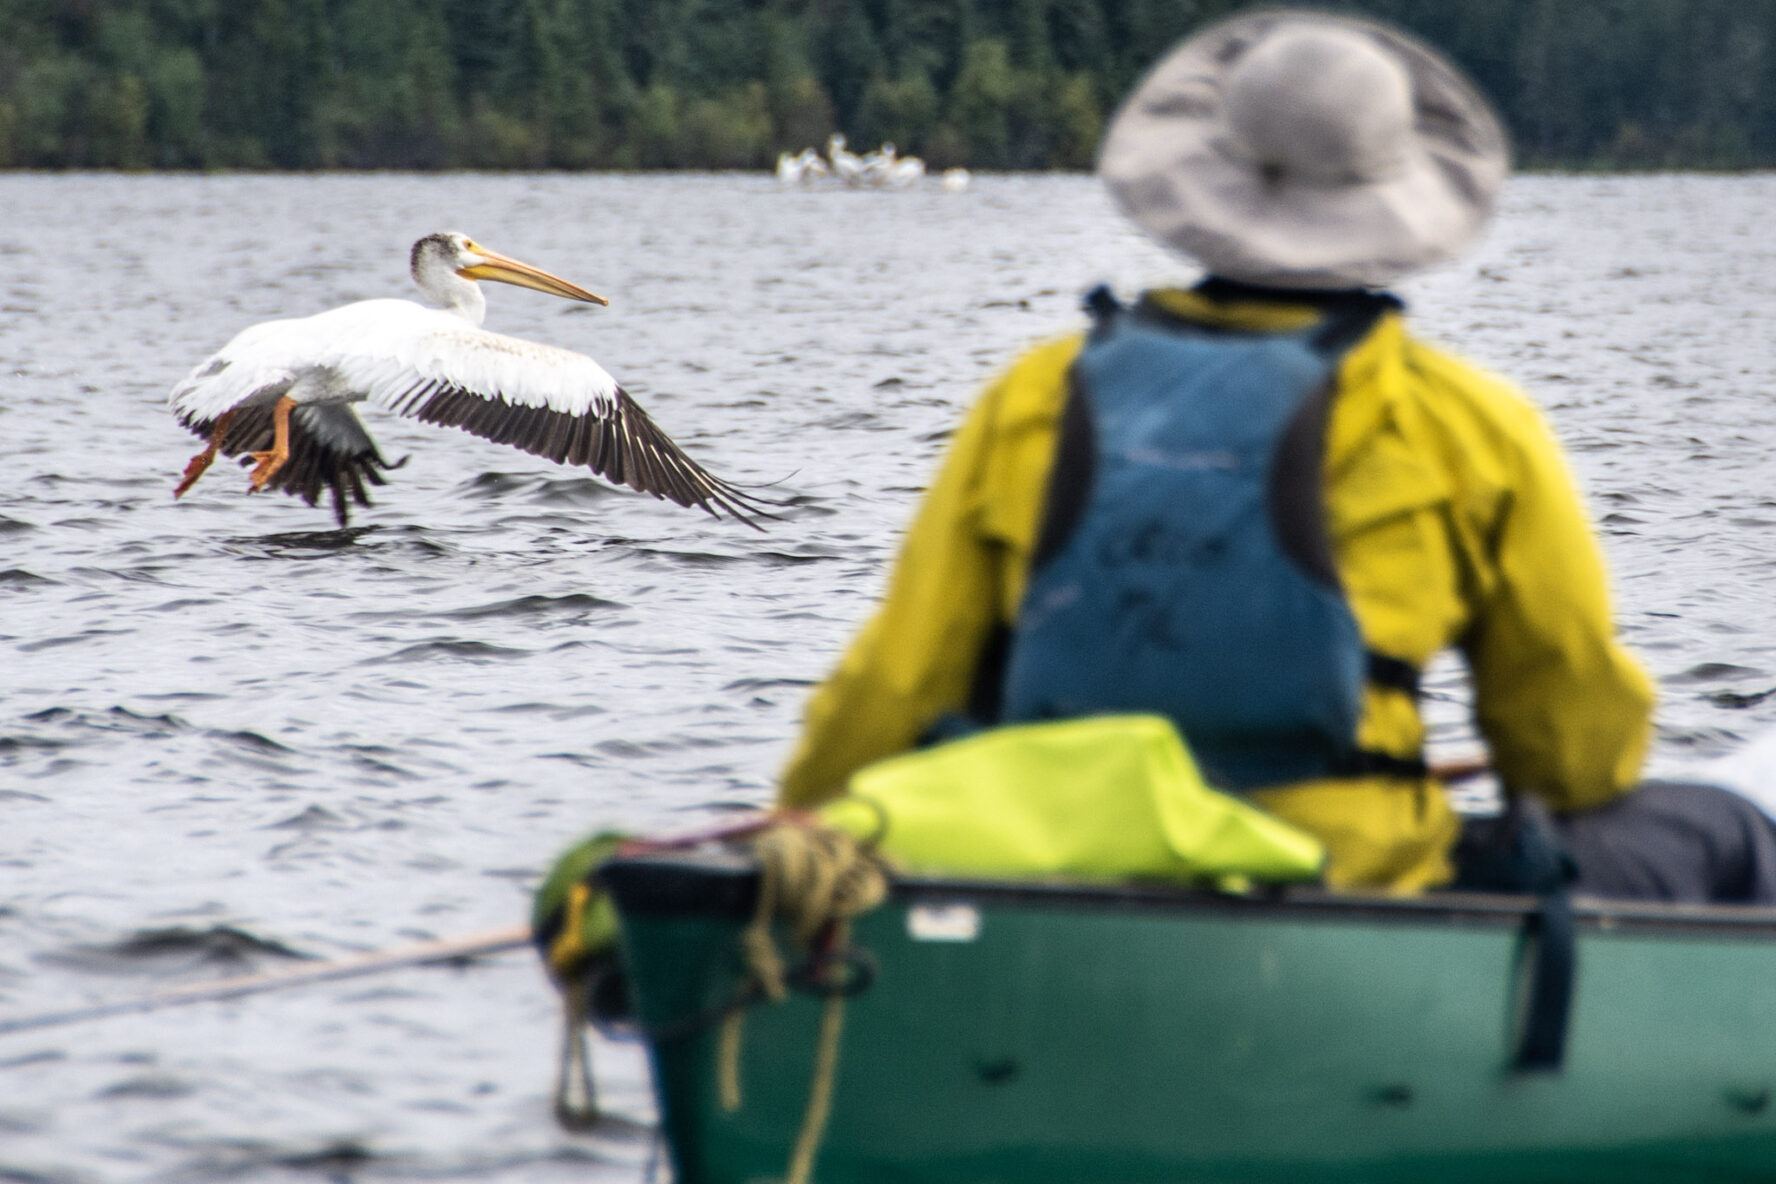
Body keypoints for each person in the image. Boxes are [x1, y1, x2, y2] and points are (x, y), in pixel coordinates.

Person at [775, 10, 1776, 901]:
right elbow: (1573, 753)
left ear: (1203, 184)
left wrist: (803, 839)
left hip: (1053, 866)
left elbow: (892, 688)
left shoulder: (1035, 395)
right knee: (1723, 827)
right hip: (1349, 877)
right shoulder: (1468, 424)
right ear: (1396, 202)